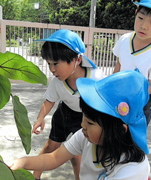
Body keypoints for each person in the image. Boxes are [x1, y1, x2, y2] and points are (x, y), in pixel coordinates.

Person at [11, 70, 150, 180]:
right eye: (84, 116)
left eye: (90, 122)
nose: (83, 125)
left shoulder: (133, 168)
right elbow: (54, 158)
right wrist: (23, 162)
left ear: (119, 130)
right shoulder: (85, 137)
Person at [32, 29, 106, 180]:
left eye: (56, 64)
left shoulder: (97, 78)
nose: (52, 69)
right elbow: (49, 101)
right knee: (51, 146)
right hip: (64, 115)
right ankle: (35, 175)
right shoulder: (57, 82)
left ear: (77, 60)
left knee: (77, 155)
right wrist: (40, 118)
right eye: (49, 63)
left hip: (87, 119)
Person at [113, 0, 151, 125]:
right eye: (141, 18)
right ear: (136, 13)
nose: (144, 26)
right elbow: (119, 65)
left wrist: (131, 97)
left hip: (142, 99)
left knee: (132, 135)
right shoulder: (124, 40)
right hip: (120, 93)